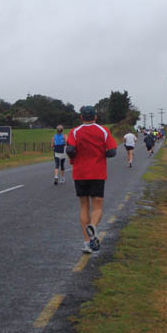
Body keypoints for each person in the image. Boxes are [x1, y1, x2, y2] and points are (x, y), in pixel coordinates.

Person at [66, 106, 117, 254]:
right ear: (95, 117)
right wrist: (100, 153)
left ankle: (87, 243)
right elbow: (112, 151)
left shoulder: (74, 131)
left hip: (80, 173)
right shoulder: (103, 131)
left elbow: (70, 150)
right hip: (97, 172)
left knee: (84, 206)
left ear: (81, 117)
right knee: (97, 206)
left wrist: (75, 155)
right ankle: (93, 226)